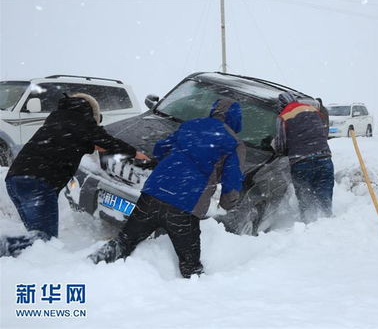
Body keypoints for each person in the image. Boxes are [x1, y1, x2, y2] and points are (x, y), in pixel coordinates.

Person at [89, 98, 245, 279]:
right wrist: (228, 203)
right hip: (185, 205)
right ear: (236, 120)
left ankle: (86, 267)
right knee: (190, 265)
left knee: (124, 241)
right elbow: (232, 179)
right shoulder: (234, 142)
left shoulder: (190, 125)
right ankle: (194, 299)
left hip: (153, 194)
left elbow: (160, 148)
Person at [0, 93, 148, 257]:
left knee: (36, 238)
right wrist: (136, 154)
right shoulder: (83, 123)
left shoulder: (58, 118)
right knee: (44, 240)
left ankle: (22, 265)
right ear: (92, 113)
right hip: (38, 183)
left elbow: (84, 142)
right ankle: (4, 247)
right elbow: (106, 141)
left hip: (15, 179)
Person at [274, 91, 334, 222]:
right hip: (324, 158)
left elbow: (280, 144)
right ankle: (328, 224)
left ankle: (308, 228)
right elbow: (322, 132)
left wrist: (279, 149)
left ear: (281, 105)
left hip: (301, 162)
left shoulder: (283, 116)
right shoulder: (312, 110)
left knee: (305, 198)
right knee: (324, 196)